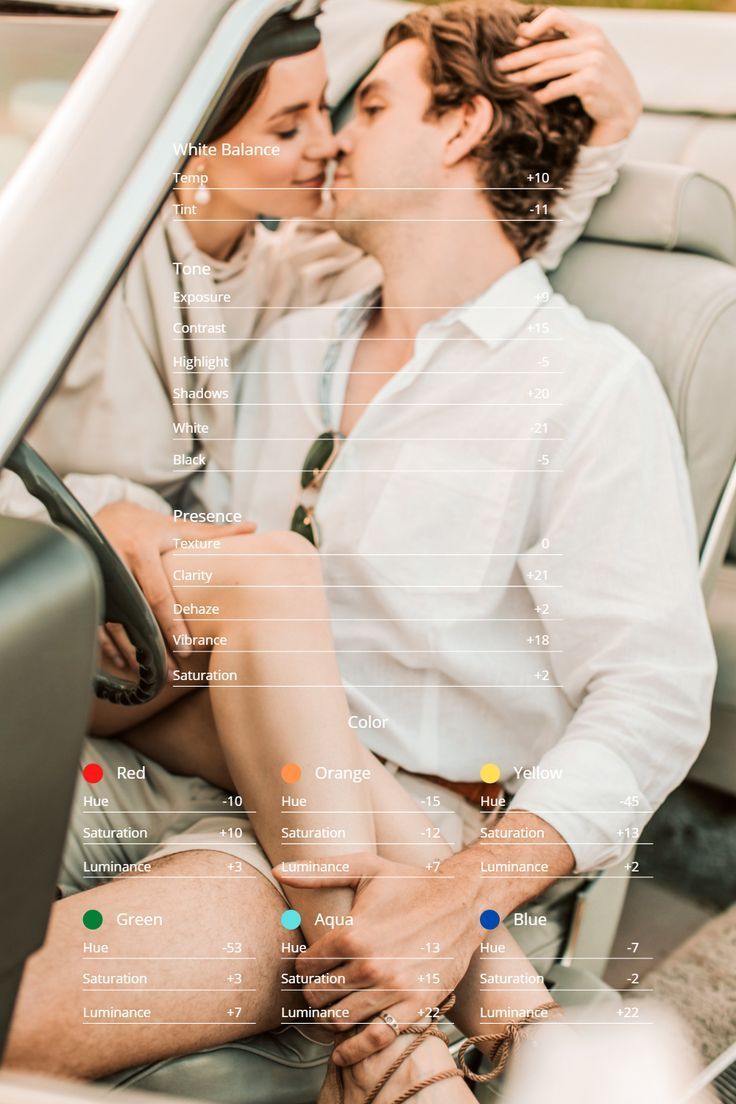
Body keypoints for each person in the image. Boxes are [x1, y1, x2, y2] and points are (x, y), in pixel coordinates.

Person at [4, 2, 690, 1102]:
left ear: (462, 127)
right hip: (194, 755)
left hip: (410, 821)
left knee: (20, 1017)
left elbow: (652, 698)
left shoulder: (583, 387)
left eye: (369, 105)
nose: (335, 138)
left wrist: (461, 897)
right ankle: (474, 1022)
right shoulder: (290, 344)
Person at [0, 2, 640, 671]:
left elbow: (469, 251)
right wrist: (89, 521)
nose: (329, 142)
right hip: (37, 597)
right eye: (286, 127)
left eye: (328, 108)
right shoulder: (73, 261)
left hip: (154, 643)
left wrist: (608, 132)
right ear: (193, 141)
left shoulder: (305, 276)